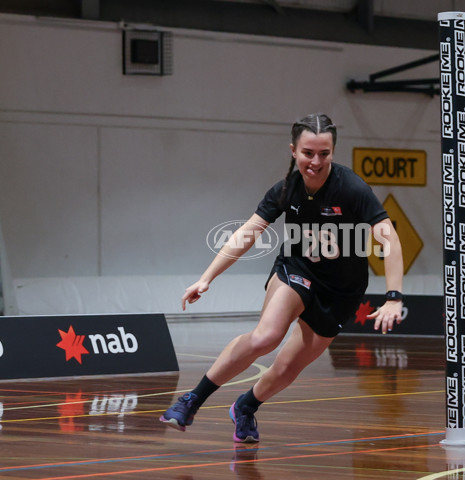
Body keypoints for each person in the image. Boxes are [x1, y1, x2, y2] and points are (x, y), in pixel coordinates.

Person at [160, 113, 404, 442]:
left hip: (341, 293)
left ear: (333, 152)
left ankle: (245, 407)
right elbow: (247, 233)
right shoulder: (286, 190)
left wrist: (393, 296)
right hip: (298, 271)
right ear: (293, 150)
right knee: (266, 337)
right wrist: (207, 278)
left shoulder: (352, 189)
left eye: (324, 154)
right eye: (307, 153)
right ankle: (192, 399)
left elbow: (389, 238)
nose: (315, 162)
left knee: (289, 368)